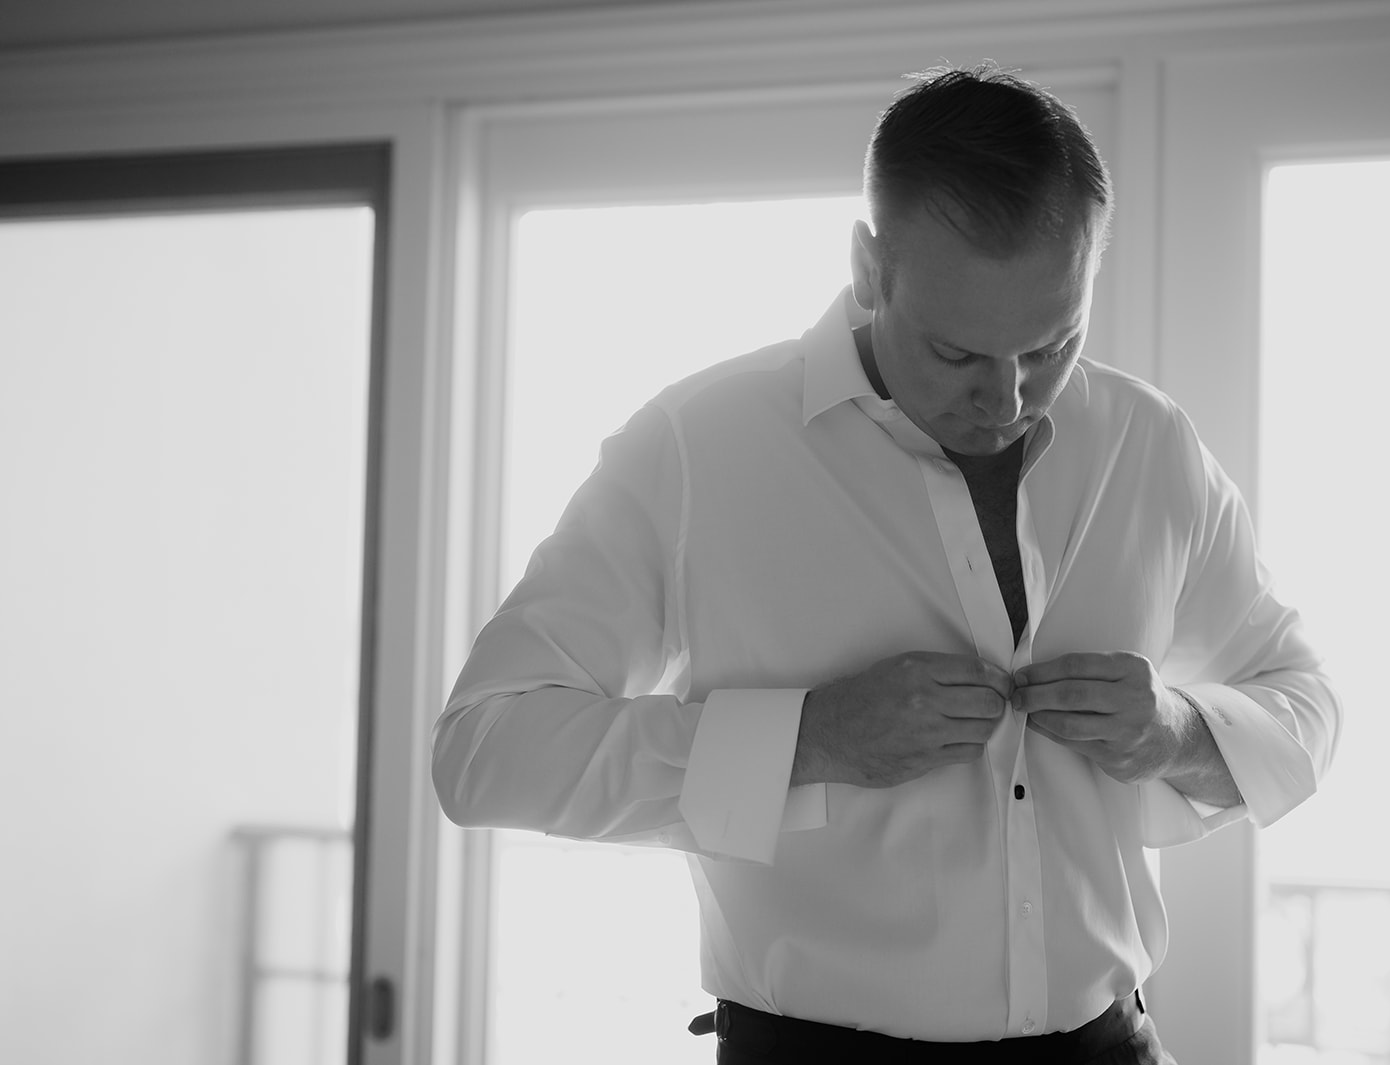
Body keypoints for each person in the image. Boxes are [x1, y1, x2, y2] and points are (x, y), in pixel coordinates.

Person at [433, 63, 1340, 1064]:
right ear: (869, 267)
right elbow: (483, 753)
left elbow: (1303, 706)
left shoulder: (1150, 443)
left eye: (1051, 345)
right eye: (956, 355)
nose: (1005, 401)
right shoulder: (695, 447)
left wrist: (1175, 730)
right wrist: (807, 740)